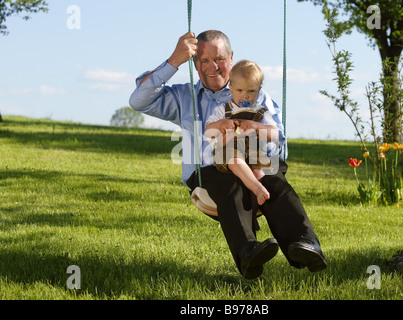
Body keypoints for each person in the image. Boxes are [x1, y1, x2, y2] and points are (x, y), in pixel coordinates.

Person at [129, 30, 327, 279]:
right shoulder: (184, 97)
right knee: (229, 184)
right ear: (195, 63)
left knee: (274, 179)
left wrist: (252, 142)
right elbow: (139, 100)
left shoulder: (252, 92)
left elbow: (279, 139)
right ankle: (249, 253)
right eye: (203, 60)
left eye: (219, 59)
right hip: (211, 172)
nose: (213, 67)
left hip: (255, 160)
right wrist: (174, 61)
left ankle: (305, 244)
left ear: (231, 57)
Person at [205, 60, 277, 206]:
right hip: (229, 152)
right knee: (235, 160)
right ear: (231, 89)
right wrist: (220, 124)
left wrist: (257, 126)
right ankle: (257, 189)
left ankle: (259, 200)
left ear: (259, 90)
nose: (245, 96)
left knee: (259, 173)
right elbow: (208, 132)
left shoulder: (262, 112)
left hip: (254, 152)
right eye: (240, 91)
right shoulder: (222, 110)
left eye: (251, 91)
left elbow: (274, 134)